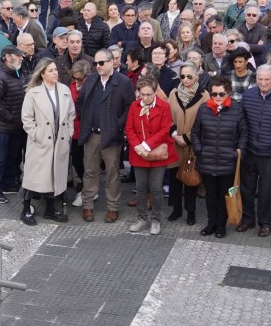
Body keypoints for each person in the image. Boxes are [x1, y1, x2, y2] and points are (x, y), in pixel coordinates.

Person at [75, 48, 135, 223]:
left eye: (101, 63)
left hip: (112, 136)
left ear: (112, 62)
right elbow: (80, 101)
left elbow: (129, 107)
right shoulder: (92, 79)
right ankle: (87, 205)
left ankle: (112, 207)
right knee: (90, 171)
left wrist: (117, 125)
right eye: (95, 63)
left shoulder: (123, 82)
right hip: (91, 134)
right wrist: (84, 119)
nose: (98, 66)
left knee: (112, 173)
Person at [18, 57, 76, 224]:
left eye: (55, 70)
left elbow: (71, 114)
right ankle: (26, 208)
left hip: (60, 141)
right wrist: (37, 135)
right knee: (33, 176)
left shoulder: (64, 90)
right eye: (51, 70)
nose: (55, 73)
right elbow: (27, 118)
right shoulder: (33, 93)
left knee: (55, 176)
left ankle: (50, 209)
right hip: (41, 143)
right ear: (42, 74)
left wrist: (69, 132)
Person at [191, 75, 247, 238]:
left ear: (228, 93)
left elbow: (244, 134)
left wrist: (238, 154)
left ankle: (221, 225)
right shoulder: (203, 109)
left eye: (221, 94)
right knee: (210, 195)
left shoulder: (237, 109)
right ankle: (211, 223)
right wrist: (199, 150)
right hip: (207, 160)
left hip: (227, 161)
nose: (217, 98)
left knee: (224, 195)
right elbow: (195, 132)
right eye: (214, 94)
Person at [238, 65, 271, 238]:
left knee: (267, 190)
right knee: (247, 187)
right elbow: (242, 122)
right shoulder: (248, 95)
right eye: (260, 79)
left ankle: (266, 222)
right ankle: (248, 218)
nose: (263, 82)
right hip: (250, 150)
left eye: (267, 79)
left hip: (270, 151)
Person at [125, 75, 175, 234]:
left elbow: (164, 130)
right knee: (140, 188)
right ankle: (141, 218)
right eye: (142, 94)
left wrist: (146, 145)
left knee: (155, 188)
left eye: (149, 94)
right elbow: (129, 129)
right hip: (139, 153)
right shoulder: (134, 106)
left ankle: (156, 220)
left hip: (156, 152)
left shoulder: (164, 106)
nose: (145, 98)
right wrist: (137, 146)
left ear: (155, 92)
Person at [166, 61, 207, 225]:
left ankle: (191, 211)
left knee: (190, 178)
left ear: (197, 76)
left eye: (189, 76)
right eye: (182, 76)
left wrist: (187, 138)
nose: (185, 80)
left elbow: (204, 121)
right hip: (175, 142)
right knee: (174, 177)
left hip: (192, 144)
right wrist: (175, 134)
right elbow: (167, 116)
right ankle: (176, 209)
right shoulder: (173, 93)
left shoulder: (204, 95)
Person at [0, 46, 29, 205]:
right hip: (4, 127)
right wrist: (11, 117)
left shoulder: (16, 73)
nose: (21, 58)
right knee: (0, 158)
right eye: (17, 56)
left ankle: (7, 183)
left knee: (13, 157)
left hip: (15, 126)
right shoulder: (0, 76)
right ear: (7, 57)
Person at [69, 60, 92, 206]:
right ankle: (84, 187)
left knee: (89, 163)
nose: (77, 81)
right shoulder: (70, 87)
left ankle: (87, 190)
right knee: (77, 160)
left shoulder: (91, 87)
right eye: (75, 78)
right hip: (74, 131)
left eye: (80, 78)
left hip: (87, 131)